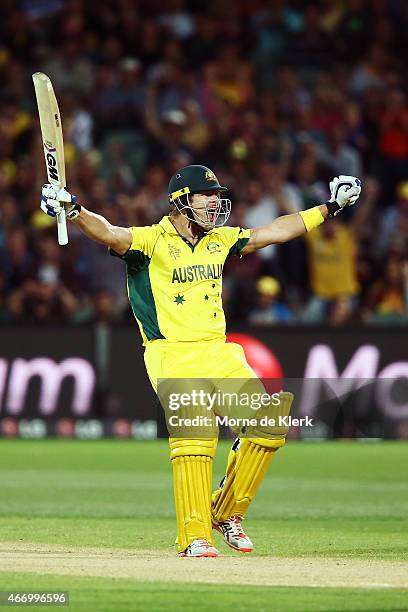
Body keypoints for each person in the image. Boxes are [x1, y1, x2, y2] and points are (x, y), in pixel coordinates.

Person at [40, 165, 361, 557]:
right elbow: (108, 232)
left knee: (269, 423)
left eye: (216, 196)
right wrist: (74, 210)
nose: (214, 203)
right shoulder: (149, 241)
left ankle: (225, 513)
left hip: (218, 351)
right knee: (196, 437)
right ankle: (194, 536)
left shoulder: (220, 239)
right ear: (180, 201)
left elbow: (271, 232)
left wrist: (329, 208)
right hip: (170, 353)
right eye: (205, 196)